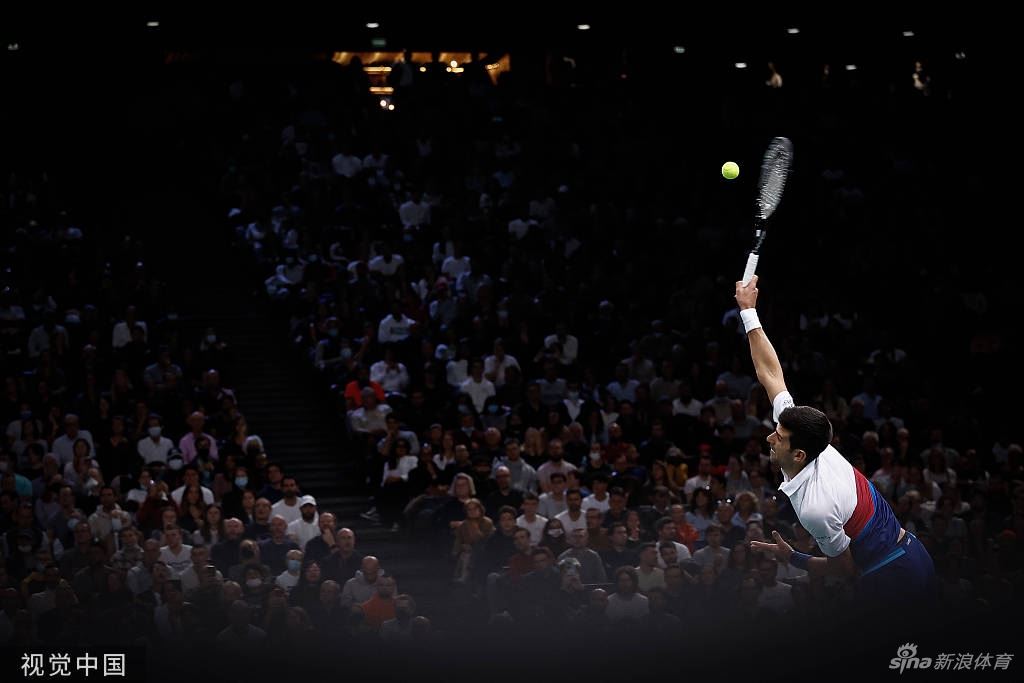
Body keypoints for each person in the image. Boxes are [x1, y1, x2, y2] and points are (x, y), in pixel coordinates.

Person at [736, 277, 935, 604]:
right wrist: (748, 311)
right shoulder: (808, 436)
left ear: (799, 455)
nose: (770, 436)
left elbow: (845, 569)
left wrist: (792, 557)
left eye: (778, 437)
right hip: (913, 552)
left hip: (893, 575)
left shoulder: (815, 507)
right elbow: (770, 373)